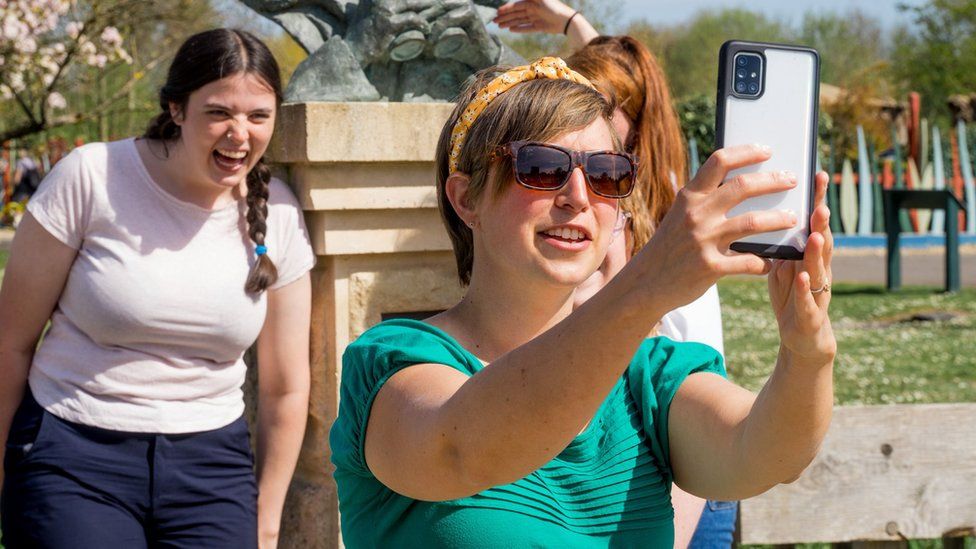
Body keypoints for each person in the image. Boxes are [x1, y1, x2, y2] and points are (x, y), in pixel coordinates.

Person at [329, 57, 836, 547]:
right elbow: (462, 451)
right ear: (466, 199)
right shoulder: (394, 363)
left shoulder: (648, 375)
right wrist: (647, 285)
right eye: (543, 167)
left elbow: (765, 453)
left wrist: (806, 355)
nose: (578, 195)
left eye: (606, 173)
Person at [0, 28, 315, 548]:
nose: (240, 133)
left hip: (213, 465)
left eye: (258, 115)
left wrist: (268, 518)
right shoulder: (91, 176)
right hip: (74, 451)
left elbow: (286, 387)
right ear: (176, 108)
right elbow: (10, 343)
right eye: (219, 112)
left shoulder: (277, 212)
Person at [496, 2, 730, 543]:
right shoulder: (625, 195)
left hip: (682, 487)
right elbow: (626, 78)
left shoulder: (673, 219)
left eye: (597, 106)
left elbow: (689, 391)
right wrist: (573, 20)